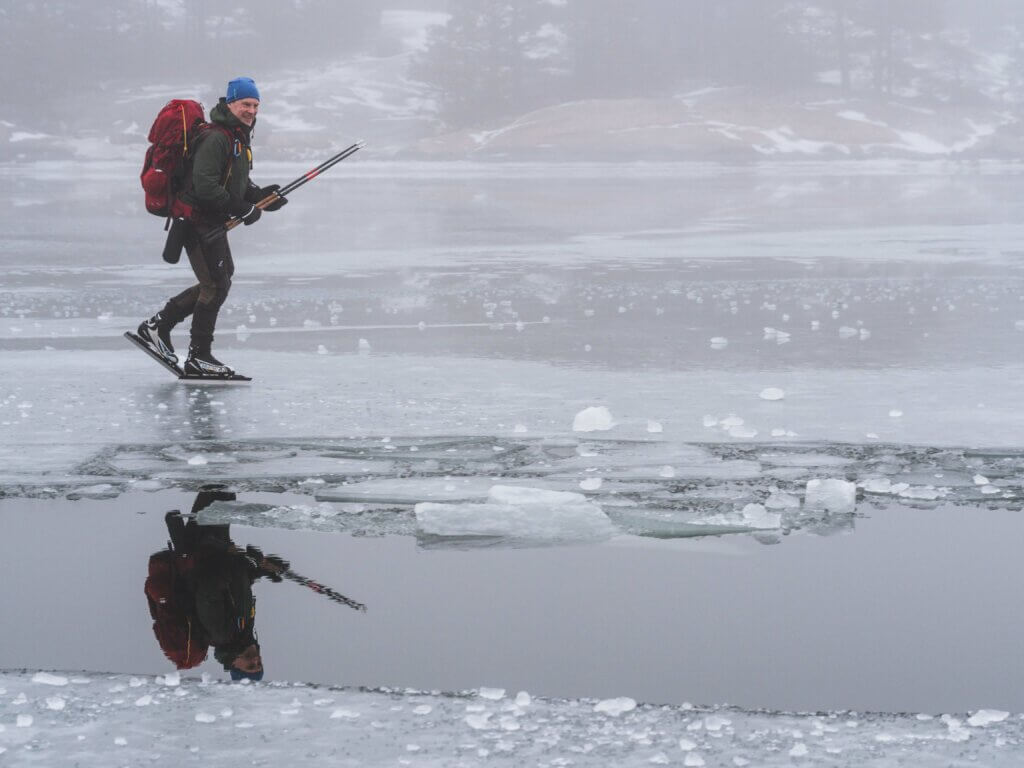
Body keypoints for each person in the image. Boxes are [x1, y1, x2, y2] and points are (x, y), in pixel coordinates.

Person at [136, 77, 287, 377]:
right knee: (216, 285)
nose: (251, 110)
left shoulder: (235, 136)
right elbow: (205, 186)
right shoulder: (217, 137)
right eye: (246, 104)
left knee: (220, 279)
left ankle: (158, 327)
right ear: (230, 103)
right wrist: (242, 208)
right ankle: (198, 355)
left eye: (256, 105)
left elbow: (234, 182)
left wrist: (260, 197)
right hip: (196, 221)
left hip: (209, 220)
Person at [148, 486, 288, 681]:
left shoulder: (222, 634)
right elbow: (236, 588)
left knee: (218, 487)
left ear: (234, 664)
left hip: (203, 548)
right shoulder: (243, 631)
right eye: (259, 664)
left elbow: (209, 585)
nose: (256, 660)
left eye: (250, 666)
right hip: (215, 546)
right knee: (224, 490)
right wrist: (262, 570)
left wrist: (243, 562)